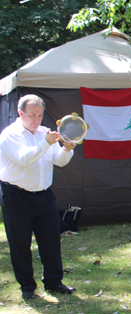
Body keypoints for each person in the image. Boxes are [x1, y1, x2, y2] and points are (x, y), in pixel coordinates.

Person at [0, 94, 77, 300]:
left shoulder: (44, 133)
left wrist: (66, 150)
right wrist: (45, 143)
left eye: (40, 115)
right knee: (20, 243)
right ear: (20, 113)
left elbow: (58, 161)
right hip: (16, 195)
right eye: (32, 115)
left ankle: (54, 282)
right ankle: (27, 287)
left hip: (44, 196)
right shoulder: (10, 135)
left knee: (51, 240)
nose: (36, 120)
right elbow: (24, 159)